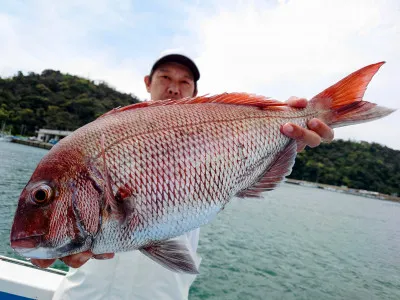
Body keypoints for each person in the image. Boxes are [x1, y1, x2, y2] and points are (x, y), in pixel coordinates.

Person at [50, 52, 334, 300]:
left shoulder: (213, 138)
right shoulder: (98, 140)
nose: (174, 88)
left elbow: (248, 159)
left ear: (196, 93)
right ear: (148, 82)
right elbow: (47, 224)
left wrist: (287, 135)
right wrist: (43, 248)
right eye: (165, 77)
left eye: (184, 82)